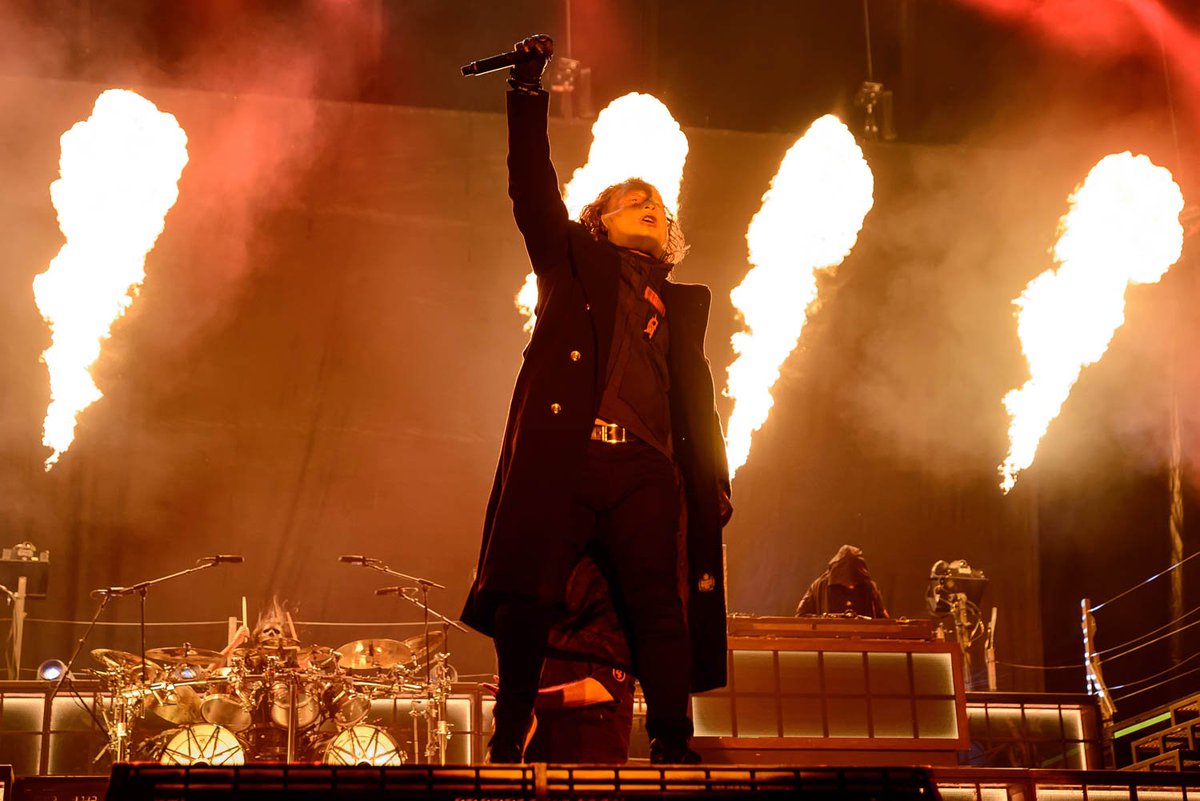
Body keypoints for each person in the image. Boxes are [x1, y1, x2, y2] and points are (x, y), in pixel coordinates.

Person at [461, 34, 732, 765]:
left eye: (657, 205)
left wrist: (711, 481)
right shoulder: (571, 264)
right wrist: (526, 91)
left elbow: (697, 410)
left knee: (660, 605)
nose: (650, 206)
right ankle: (509, 733)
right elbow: (531, 187)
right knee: (529, 592)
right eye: (631, 201)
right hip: (570, 452)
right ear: (598, 223)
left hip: (645, 468)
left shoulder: (680, 307)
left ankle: (672, 741)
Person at [524, 554, 635, 764]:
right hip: (544, 756)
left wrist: (531, 699)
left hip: (592, 758)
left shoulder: (613, 619)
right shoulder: (547, 622)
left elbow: (605, 688)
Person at [795, 544, 889, 619]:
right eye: (847, 582)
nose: (851, 586)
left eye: (855, 582)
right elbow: (801, 616)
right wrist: (824, 621)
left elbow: (883, 619)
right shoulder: (820, 586)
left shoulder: (868, 586)